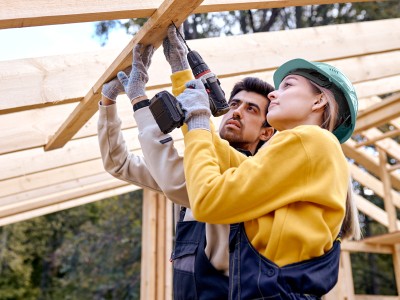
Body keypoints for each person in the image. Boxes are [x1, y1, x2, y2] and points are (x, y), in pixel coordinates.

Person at [97, 25, 275, 299]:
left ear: (266, 132)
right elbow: (119, 164)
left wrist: (139, 99)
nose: (237, 112)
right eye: (235, 104)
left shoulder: (257, 175)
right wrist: (108, 102)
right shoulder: (203, 162)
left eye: (251, 109)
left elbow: (177, 181)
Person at [178, 58, 362, 299]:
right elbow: (225, 156)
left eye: (288, 85)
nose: (274, 94)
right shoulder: (306, 152)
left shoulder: (308, 140)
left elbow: (208, 200)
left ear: (319, 100)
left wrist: (199, 119)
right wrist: (181, 74)